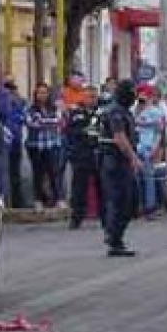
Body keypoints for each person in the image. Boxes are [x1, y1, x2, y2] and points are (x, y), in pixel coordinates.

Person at [97, 79, 142, 257]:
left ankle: (115, 236)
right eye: (131, 93)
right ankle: (114, 239)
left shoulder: (124, 111)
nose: (134, 97)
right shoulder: (115, 111)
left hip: (120, 161)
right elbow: (119, 137)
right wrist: (133, 158)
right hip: (115, 160)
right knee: (120, 200)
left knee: (129, 200)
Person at [65, 87, 103, 229]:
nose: (91, 100)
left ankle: (105, 216)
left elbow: (103, 130)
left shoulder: (102, 112)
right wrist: (86, 132)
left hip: (99, 153)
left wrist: (88, 132)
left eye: (93, 97)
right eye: (88, 97)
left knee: (102, 186)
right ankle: (76, 218)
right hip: (81, 154)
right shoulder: (76, 112)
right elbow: (72, 131)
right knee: (79, 188)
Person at [26, 83, 63, 209]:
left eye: (44, 92)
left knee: (54, 173)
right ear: (35, 95)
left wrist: (43, 121)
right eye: (39, 93)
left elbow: (59, 121)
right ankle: (38, 200)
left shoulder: (54, 107)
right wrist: (48, 122)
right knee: (38, 174)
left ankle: (58, 199)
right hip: (35, 146)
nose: (42, 95)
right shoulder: (30, 108)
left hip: (52, 144)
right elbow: (32, 123)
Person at [134, 85, 167, 218]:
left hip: (148, 147)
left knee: (149, 177)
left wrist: (155, 147)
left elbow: (159, 132)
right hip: (135, 147)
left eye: (144, 96)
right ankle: (137, 205)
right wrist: (137, 109)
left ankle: (150, 207)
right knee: (136, 178)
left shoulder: (156, 112)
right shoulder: (133, 110)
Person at [2, 79, 28, 208]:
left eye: (12, 90)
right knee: (4, 173)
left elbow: (23, 118)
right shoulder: (2, 104)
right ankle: (7, 203)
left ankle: (18, 202)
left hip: (16, 141)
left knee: (15, 173)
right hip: (4, 143)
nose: (10, 93)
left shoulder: (20, 103)